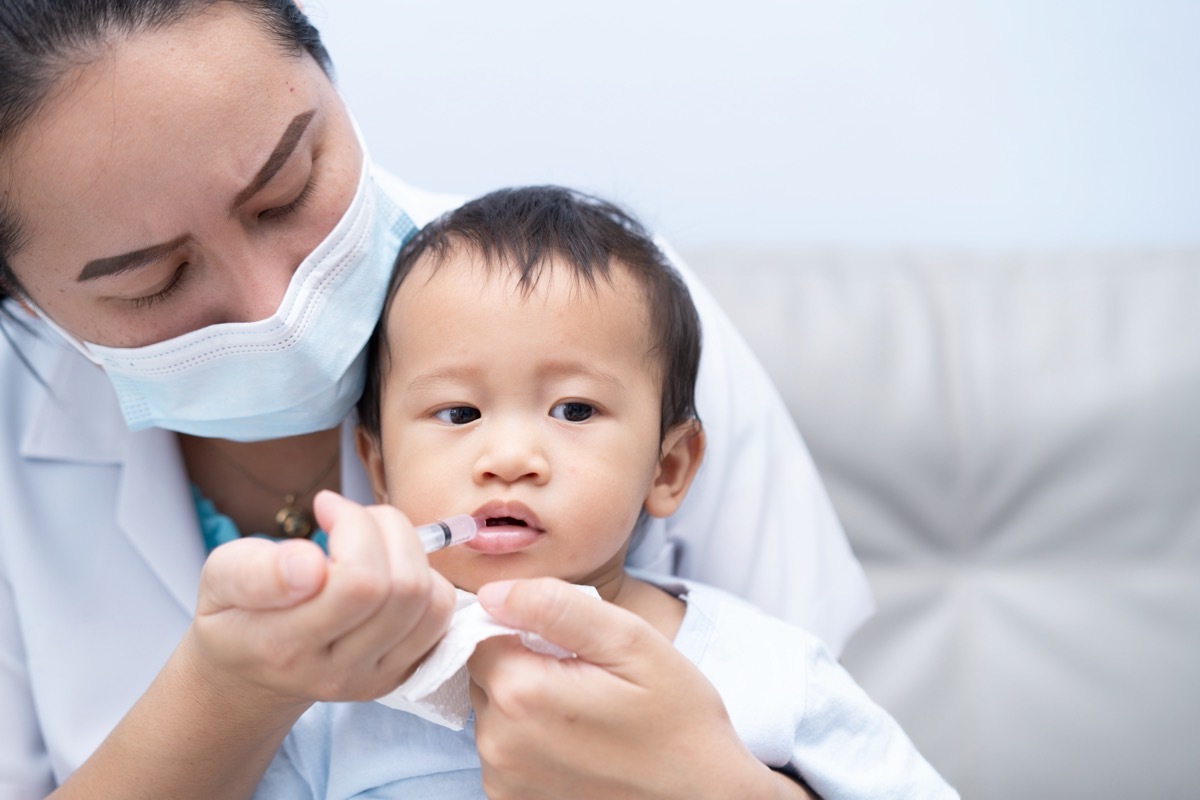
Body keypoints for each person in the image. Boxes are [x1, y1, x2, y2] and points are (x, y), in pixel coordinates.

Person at [0, 1, 871, 797]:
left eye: (287, 189)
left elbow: (826, 719)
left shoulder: (613, 312)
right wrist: (228, 693)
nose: (278, 308)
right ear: (28, 302)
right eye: (154, 279)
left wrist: (708, 780)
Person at [252, 185, 958, 799]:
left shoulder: (765, 670)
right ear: (378, 468)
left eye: (575, 411)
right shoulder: (342, 695)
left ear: (668, 469)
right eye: (459, 414)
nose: (509, 459)